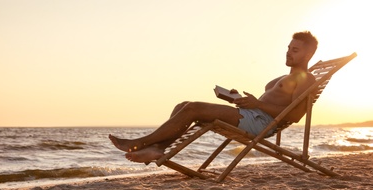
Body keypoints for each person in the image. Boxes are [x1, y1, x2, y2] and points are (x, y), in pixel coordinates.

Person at [109, 31, 318, 163]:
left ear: (307, 55)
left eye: (295, 50)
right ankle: (157, 148)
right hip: (252, 115)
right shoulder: (284, 77)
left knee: (193, 108)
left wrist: (256, 104)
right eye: (289, 48)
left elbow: (295, 115)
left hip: (261, 123)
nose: (288, 53)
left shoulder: (306, 79)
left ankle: (139, 143)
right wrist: (239, 99)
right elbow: (266, 103)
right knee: (184, 105)